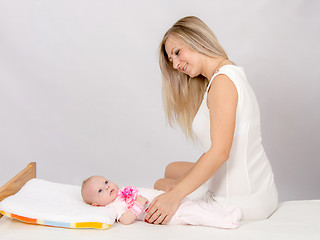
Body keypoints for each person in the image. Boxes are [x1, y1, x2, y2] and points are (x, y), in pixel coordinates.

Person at [144, 16, 278, 225]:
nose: (177, 64)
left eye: (177, 52)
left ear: (196, 39)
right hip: (260, 188)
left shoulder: (222, 83)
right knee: (172, 169)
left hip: (242, 200)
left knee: (161, 183)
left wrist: (174, 196)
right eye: (172, 60)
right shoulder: (229, 73)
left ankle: (184, 192)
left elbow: (220, 152)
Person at [81, 175, 242, 228]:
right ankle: (226, 221)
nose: (107, 187)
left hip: (170, 200)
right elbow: (125, 220)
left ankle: (226, 212)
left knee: (198, 205)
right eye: (100, 190)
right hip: (168, 214)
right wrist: (138, 204)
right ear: (96, 204)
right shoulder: (115, 206)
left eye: (106, 182)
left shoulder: (122, 192)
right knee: (195, 214)